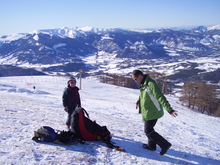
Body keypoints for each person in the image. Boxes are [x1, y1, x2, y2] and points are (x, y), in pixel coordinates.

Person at [131, 70, 178, 155]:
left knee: (148, 131)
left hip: (153, 111)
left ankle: (165, 144)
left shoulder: (151, 84)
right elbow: (142, 94)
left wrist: (170, 110)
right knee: (150, 129)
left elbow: (160, 97)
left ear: (140, 76)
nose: (135, 81)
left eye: (135, 79)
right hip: (148, 110)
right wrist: (138, 101)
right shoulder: (144, 83)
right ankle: (151, 146)